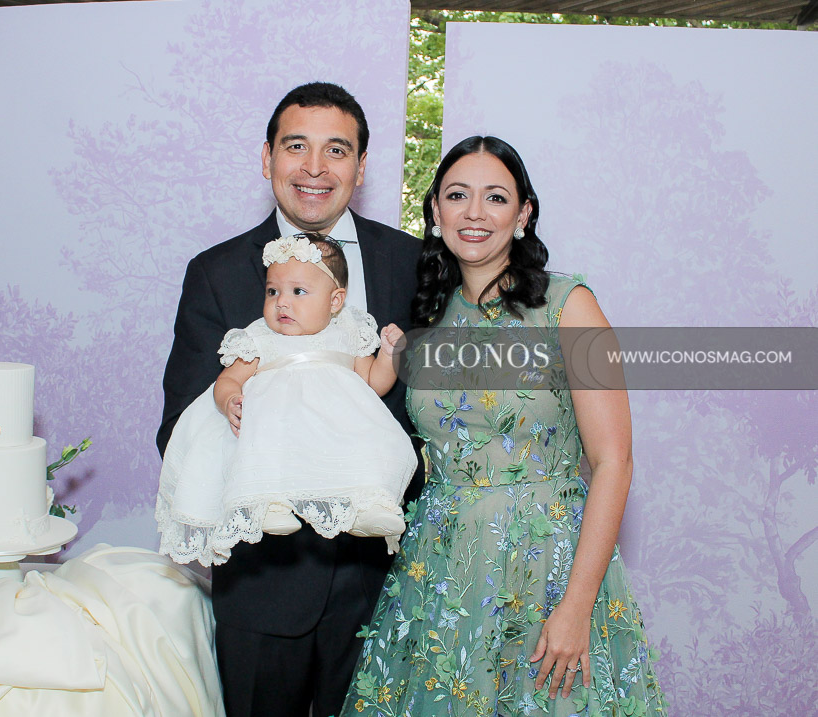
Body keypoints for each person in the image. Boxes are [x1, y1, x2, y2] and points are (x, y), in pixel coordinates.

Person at [339, 136, 667, 716]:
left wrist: (576, 606)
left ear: (523, 214)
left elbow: (613, 462)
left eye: (495, 197)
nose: (474, 212)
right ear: (435, 211)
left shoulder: (568, 305)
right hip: (441, 573)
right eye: (457, 195)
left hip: (548, 570)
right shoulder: (423, 319)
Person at [157, 82, 423, 717]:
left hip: (390, 581)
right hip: (264, 583)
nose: (314, 167)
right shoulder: (217, 272)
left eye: (337, 150)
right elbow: (180, 426)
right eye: (296, 146)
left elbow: (437, 412)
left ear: (361, 166)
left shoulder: (414, 262)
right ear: (268, 157)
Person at [156, 234, 417, 565]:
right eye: (272, 291)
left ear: (335, 301)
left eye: (298, 292)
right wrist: (230, 399)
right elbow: (228, 379)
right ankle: (268, 504)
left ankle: (370, 505)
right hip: (282, 429)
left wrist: (389, 356)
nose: (281, 302)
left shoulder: (349, 330)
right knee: (263, 439)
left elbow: (373, 384)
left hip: (337, 429)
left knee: (372, 441)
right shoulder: (260, 336)